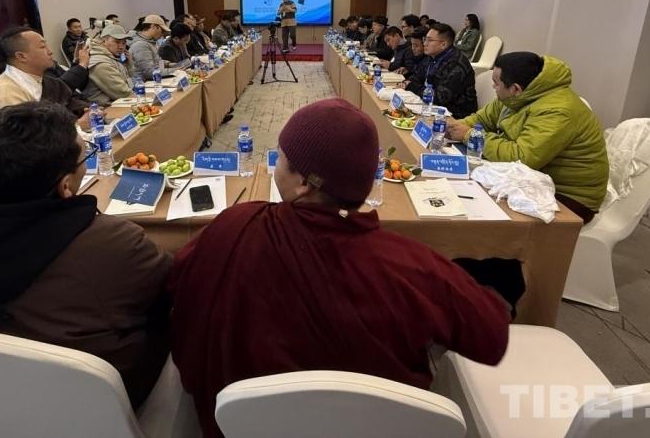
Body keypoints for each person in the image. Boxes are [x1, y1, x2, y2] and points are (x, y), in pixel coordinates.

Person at [168, 98, 510, 438]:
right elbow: (491, 334)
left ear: (304, 183)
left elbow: (178, 292)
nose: (274, 167)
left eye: (280, 158)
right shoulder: (413, 266)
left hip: (245, 427)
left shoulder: (234, 228)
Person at [0, 102, 172, 408]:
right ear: (65, 186)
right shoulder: (112, 243)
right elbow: (174, 291)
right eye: (85, 157)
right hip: (97, 404)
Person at [447, 52, 608, 222]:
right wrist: (454, 126)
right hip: (533, 180)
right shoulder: (516, 96)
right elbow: (482, 119)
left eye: (496, 83)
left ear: (515, 89)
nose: (493, 87)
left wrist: (469, 135)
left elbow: (522, 157)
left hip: (569, 196)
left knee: (475, 211)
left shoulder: (558, 111)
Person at [0, 27, 88, 117]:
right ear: (21, 56)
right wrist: (76, 125)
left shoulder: (43, 80)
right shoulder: (5, 93)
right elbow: (24, 134)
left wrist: (88, 110)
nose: (50, 51)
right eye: (42, 46)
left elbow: (68, 102)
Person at [405, 23, 477, 118]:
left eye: (430, 40)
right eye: (425, 39)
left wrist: (412, 86)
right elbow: (415, 78)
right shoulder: (431, 57)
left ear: (443, 44)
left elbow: (440, 97)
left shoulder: (456, 64)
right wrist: (412, 84)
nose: (425, 43)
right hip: (432, 107)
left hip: (456, 115)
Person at [81, 24, 133, 104]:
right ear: (103, 41)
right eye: (117, 42)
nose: (121, 47)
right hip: (104, 108)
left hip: (117, 103)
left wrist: (129, 65)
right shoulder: (100, 63)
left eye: (123, 43)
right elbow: (123, 93)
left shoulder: (113, 57)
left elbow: (130, 83)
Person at [129, 15, 171, 79]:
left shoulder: (150, 42)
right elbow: (149, 72)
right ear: (153, 26)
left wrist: (168, 64)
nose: (162, 34)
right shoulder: (140, 45)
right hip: (143, 83)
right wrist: (174, 71)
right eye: (162, 31)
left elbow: (155, 61)